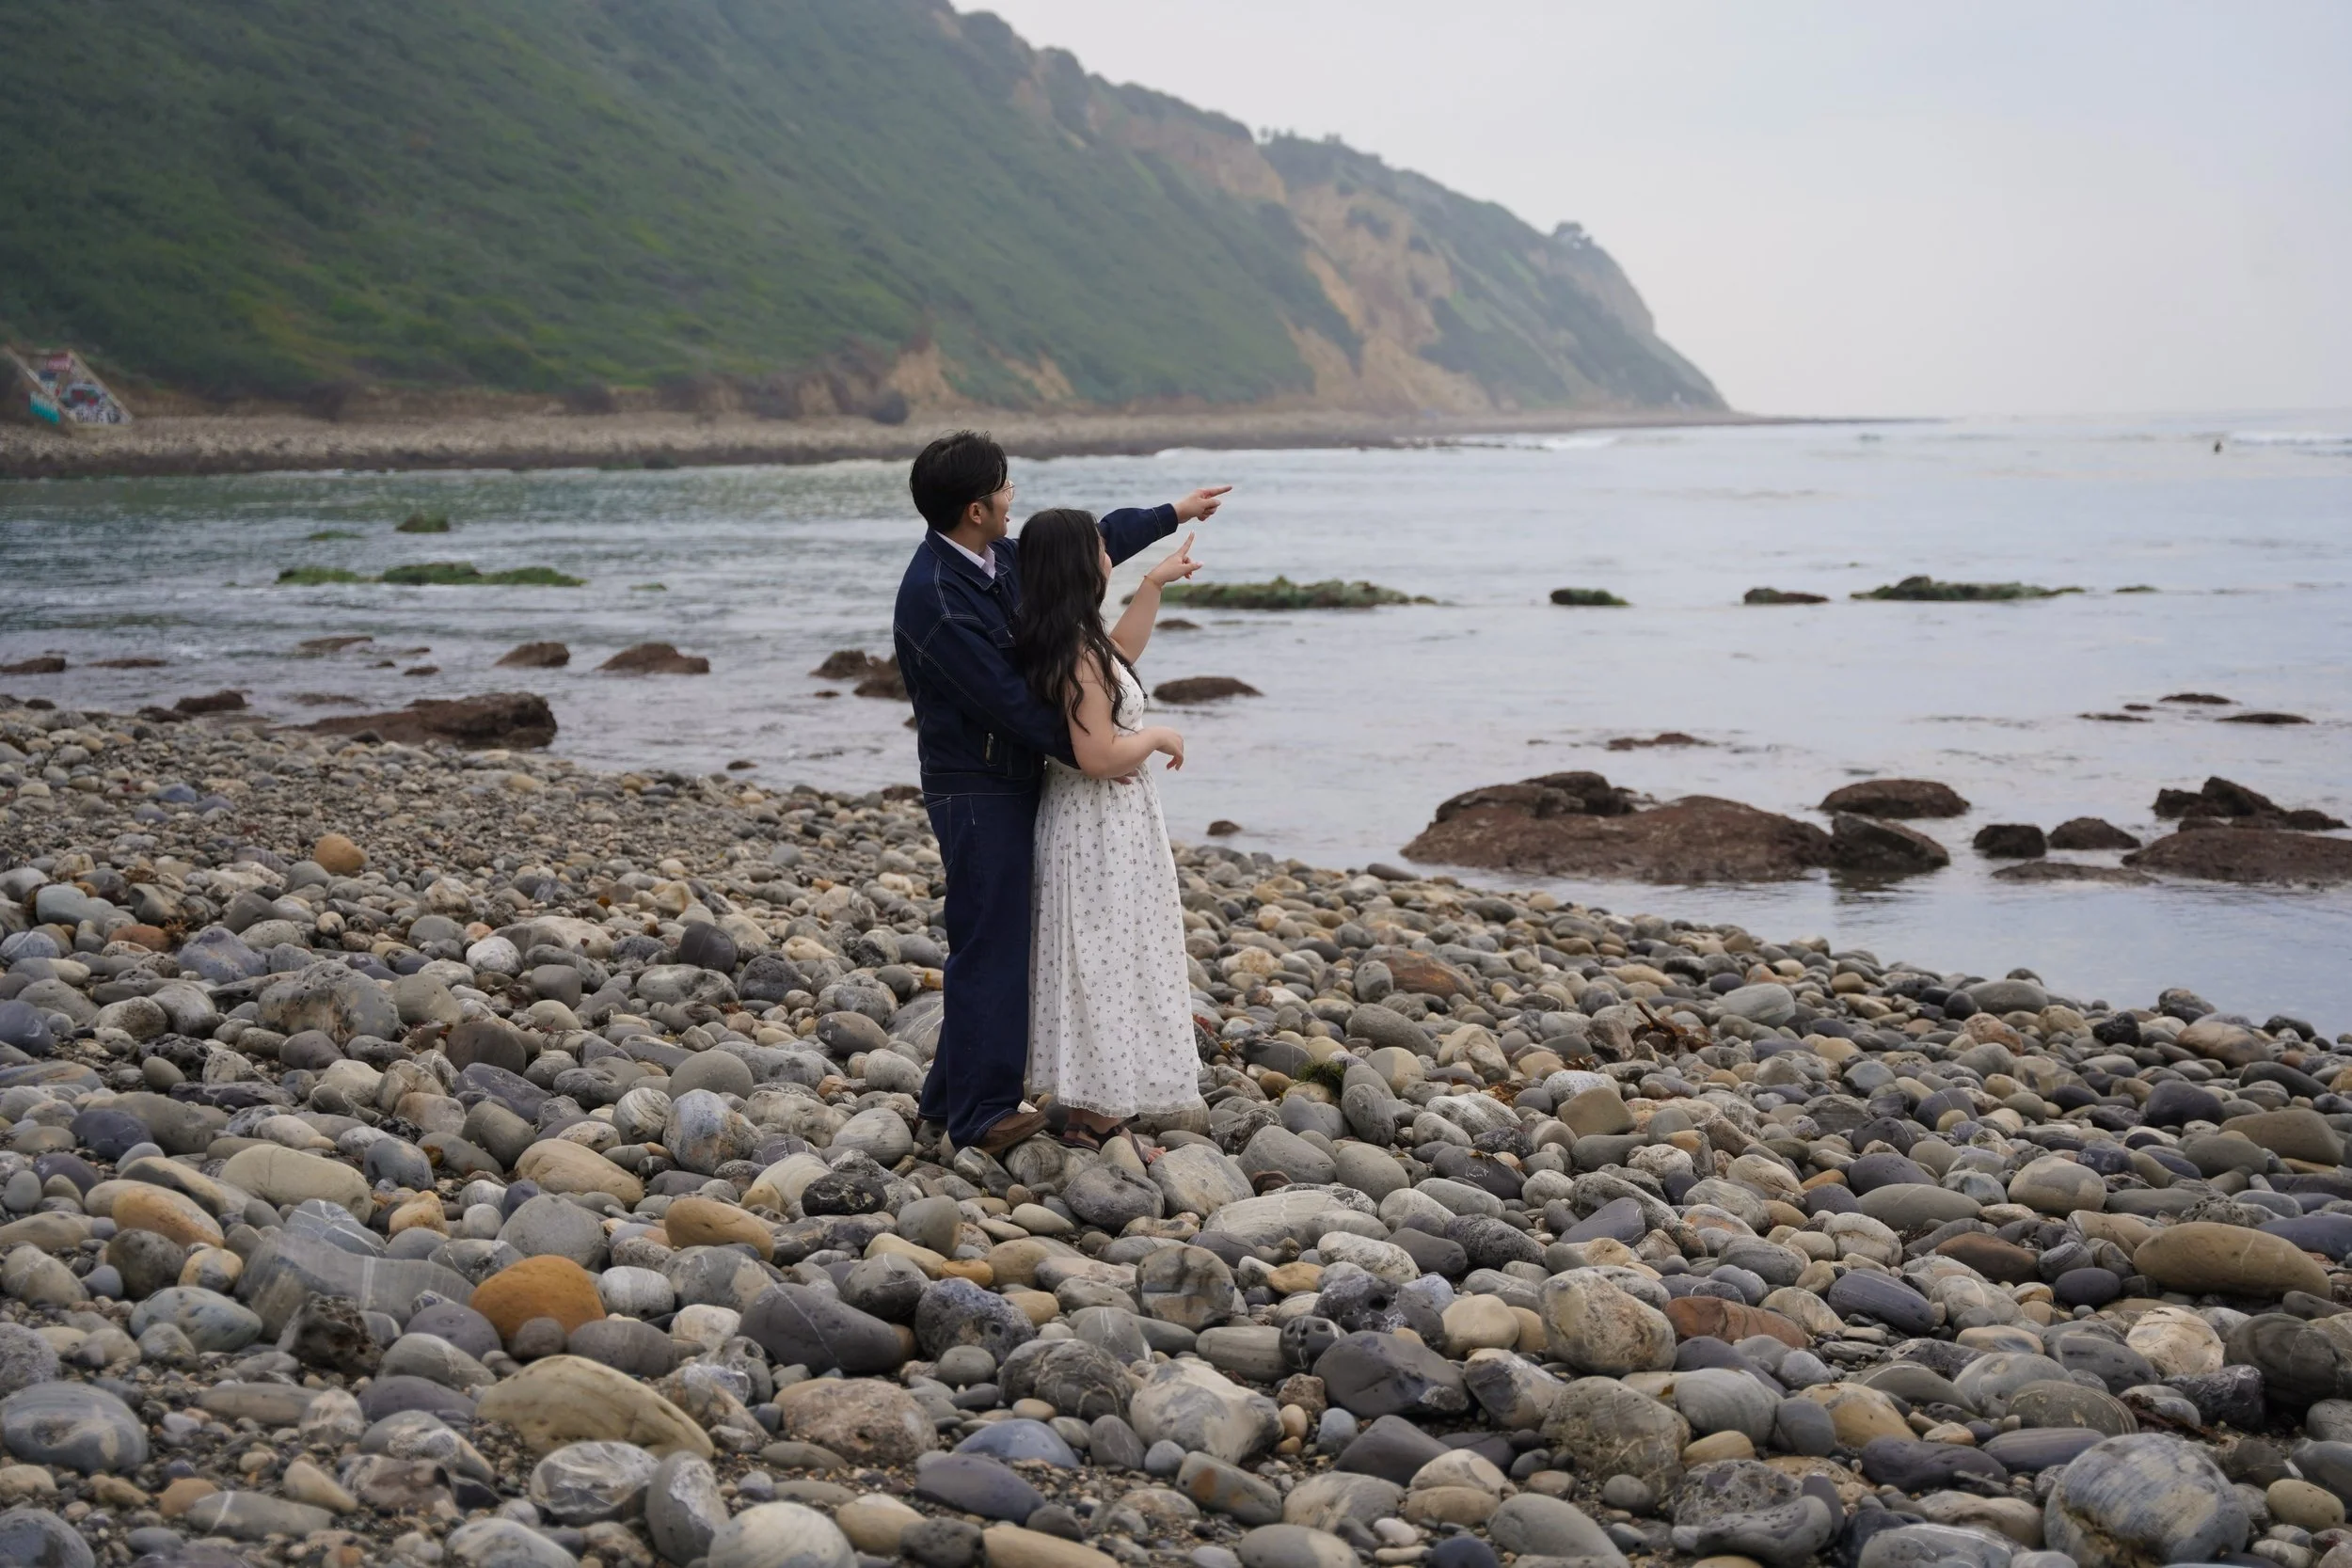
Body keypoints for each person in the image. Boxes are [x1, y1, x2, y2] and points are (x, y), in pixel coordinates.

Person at [892, 430, 1226, 1155]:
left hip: (1021, 779)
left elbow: (1090, 541)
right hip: (977, 786)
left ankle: (947, 1101)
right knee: (992, 942)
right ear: (978, 508)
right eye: (1006, 487)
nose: (1015, 497)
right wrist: (1101, 748)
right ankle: (982, 1116)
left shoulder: (994, 557)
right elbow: (1011, 702)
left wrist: (1173, 511)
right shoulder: (937, 599)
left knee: (999, 936)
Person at [1012, 509, 1207, 1151]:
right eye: (1100, 547)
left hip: (1100, 825)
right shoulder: (1073, 650)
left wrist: (1152, 585)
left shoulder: (1074, 638)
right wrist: (1152, 736)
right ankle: (1098, 1118)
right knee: (1102, 957)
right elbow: (1097, 755)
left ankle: (1090, 1103)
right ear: (1077, 564)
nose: (1107, 554)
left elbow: (1118, 656)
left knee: (1106, 954)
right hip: (1095, 824)